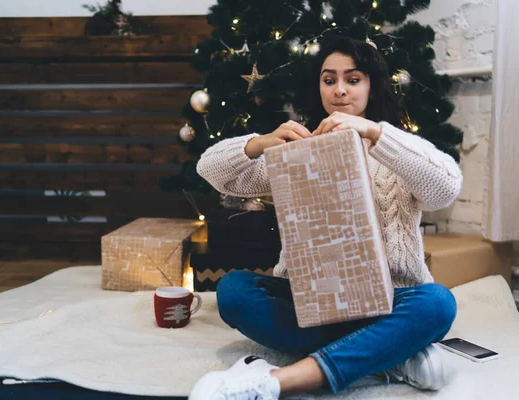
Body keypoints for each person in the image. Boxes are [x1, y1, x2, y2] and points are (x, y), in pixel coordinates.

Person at [190, 36, 463, 400]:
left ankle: (282, 380)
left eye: (353, 79)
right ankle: (387, 354)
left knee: (437, 304)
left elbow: (446, 187)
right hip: (311, 301)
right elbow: (209, 169)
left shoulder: (396, 147)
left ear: (372, 84)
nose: (339, 91)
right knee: (233, 291)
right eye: (329, 79)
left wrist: (374, 133)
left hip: (392, 300)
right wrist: (259, 143)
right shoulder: (296, 148)